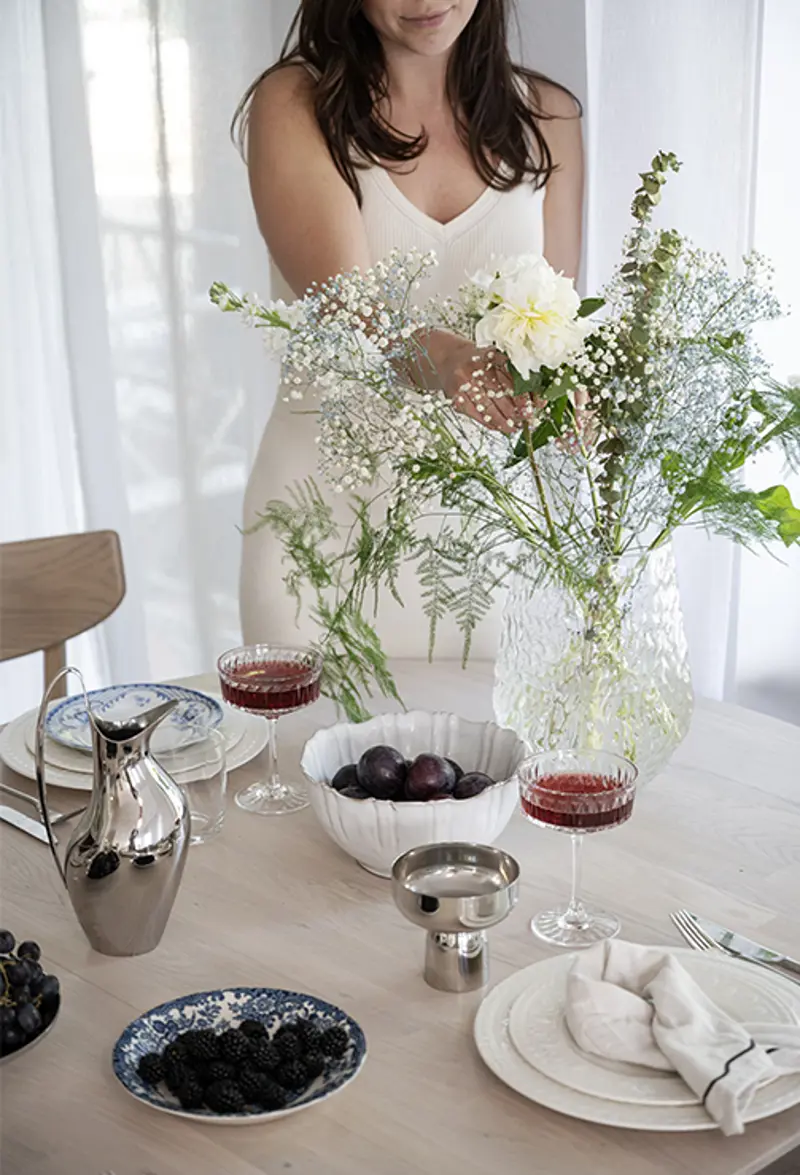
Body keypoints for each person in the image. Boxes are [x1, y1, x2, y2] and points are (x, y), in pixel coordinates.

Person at [236, 0, 583, 658]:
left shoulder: (550, 117)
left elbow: (555, 328)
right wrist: (452, 362)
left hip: (491, 546)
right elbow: (355, 309)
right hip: (323, 531)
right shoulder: (294, 103)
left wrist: (577, 404)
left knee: (499, 758)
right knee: (308, 756)